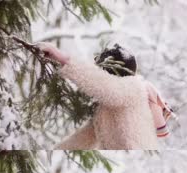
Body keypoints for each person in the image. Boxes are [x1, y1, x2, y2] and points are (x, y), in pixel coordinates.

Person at [38, 43, 173, 150]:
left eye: (101, 71)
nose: (99, 73)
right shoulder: (108, 106)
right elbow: (87, 136)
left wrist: (63, 59)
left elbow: (100, 84)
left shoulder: (133, 89)